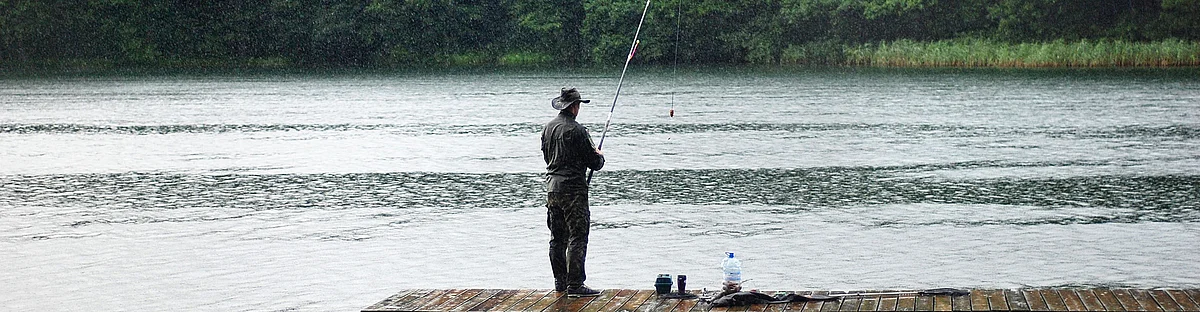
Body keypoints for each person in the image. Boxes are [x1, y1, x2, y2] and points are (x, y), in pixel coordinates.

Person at [541, 87, 605, 297]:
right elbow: (594, 163)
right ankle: (575, 285)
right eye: (579, 105)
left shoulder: (547, 128)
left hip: (552, 189)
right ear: (574, 107)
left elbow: (547, 158)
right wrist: (599, 155)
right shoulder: (578, 131)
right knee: (577, 235)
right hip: (573, 192)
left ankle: (560, 282)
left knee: (557, 237)